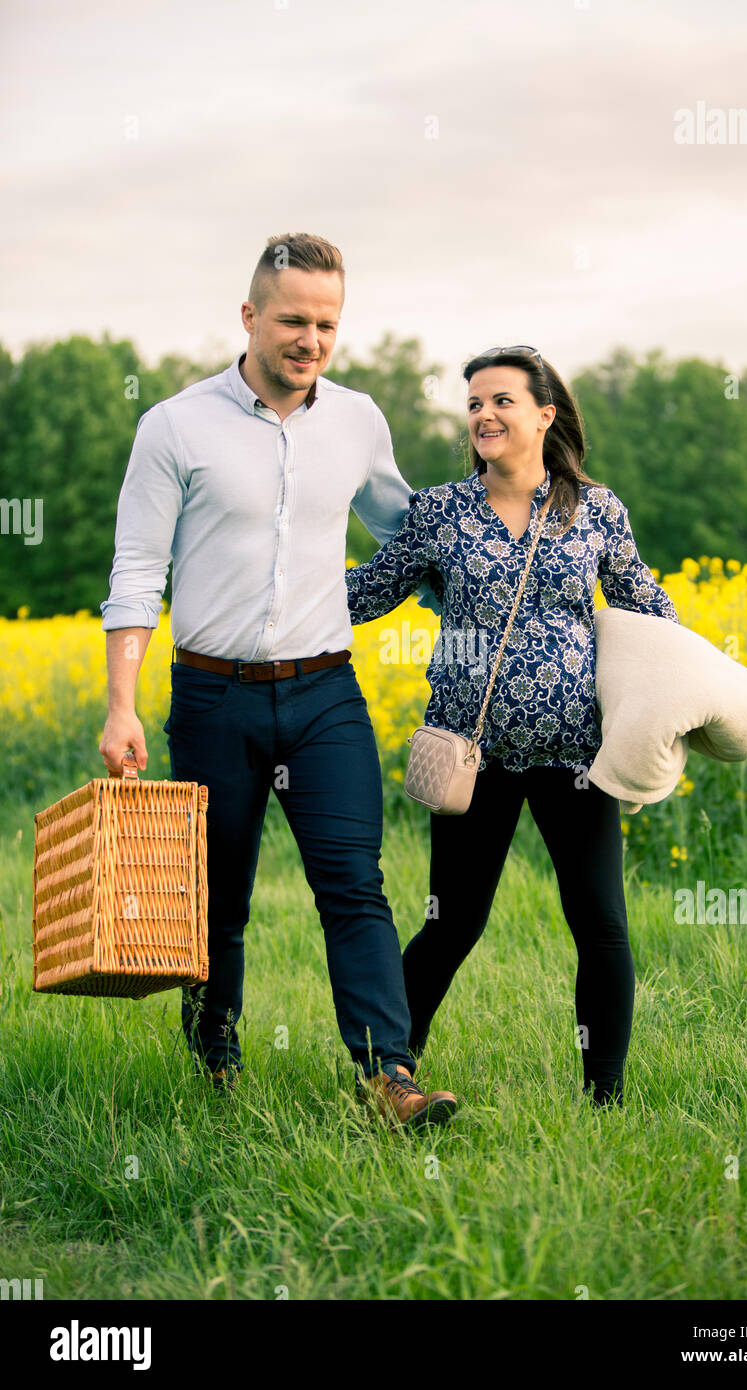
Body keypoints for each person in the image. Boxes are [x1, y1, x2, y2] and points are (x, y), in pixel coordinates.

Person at [97, 232, 458, 1128]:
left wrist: (510, 541)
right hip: (213, 698)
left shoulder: (358, 420)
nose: (312, 339)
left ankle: (391, 1077)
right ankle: (215, 1053)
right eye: (294, 319)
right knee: (218, 894)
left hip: (325, 694)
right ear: (250, 316)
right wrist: (120, 703)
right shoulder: (175, 426)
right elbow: (137, 573)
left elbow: (406, 531)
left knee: (355, 883)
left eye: (328, 323)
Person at [345, 346, 679, 1108]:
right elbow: (372, 591)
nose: (484, 415)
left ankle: (607, 1098)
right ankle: (389, 1073)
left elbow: (647, 607)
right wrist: (279, 591)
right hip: (474, 755)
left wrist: (690, 692)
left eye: (501, 401)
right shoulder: (443, 511)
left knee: (599, 925)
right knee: (452, 923)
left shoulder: (598, 511)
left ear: (544, 414)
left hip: (576, 758)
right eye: (474, 405)